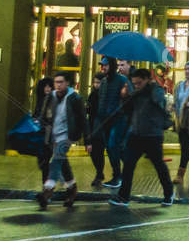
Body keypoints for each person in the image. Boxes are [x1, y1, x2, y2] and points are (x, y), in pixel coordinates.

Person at [111, 67, 175, 207]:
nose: (136, 85)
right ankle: (123, 196)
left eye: (139, 82)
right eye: (134, 83)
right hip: (136, 134)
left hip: (153, 135)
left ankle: (169, 193)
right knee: (128, 165)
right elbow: (127, 110)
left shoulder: (156, 90)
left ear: (147, 80)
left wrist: (145, 90)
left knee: (159, 166)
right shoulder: (136, 93)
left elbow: (159, 101)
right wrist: (126, 96)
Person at [38, 72, 85, 210]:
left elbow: (83, 119)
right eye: (56, 82)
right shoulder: (50, 96)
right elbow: (43, 115)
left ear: (67, 83)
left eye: (61, 82)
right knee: (62, 162)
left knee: (57, 159)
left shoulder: (75, 98)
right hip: (52, 135)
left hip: (67, 136)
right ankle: (72, 188)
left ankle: (48, 190)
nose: (58, 85)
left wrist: (87, 140)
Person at [90, 57, 129, 188]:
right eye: (102, 65)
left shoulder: (122, 80)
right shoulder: (105, 82)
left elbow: (127, 99)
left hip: (118, 119)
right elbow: (101, 100)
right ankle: (120, 173)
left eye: (105, 65)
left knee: (113, 145)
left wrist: (119, 108)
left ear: (111, 66)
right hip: (105, 120)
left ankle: (118, 176)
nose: (103, 68)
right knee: (111, 148)